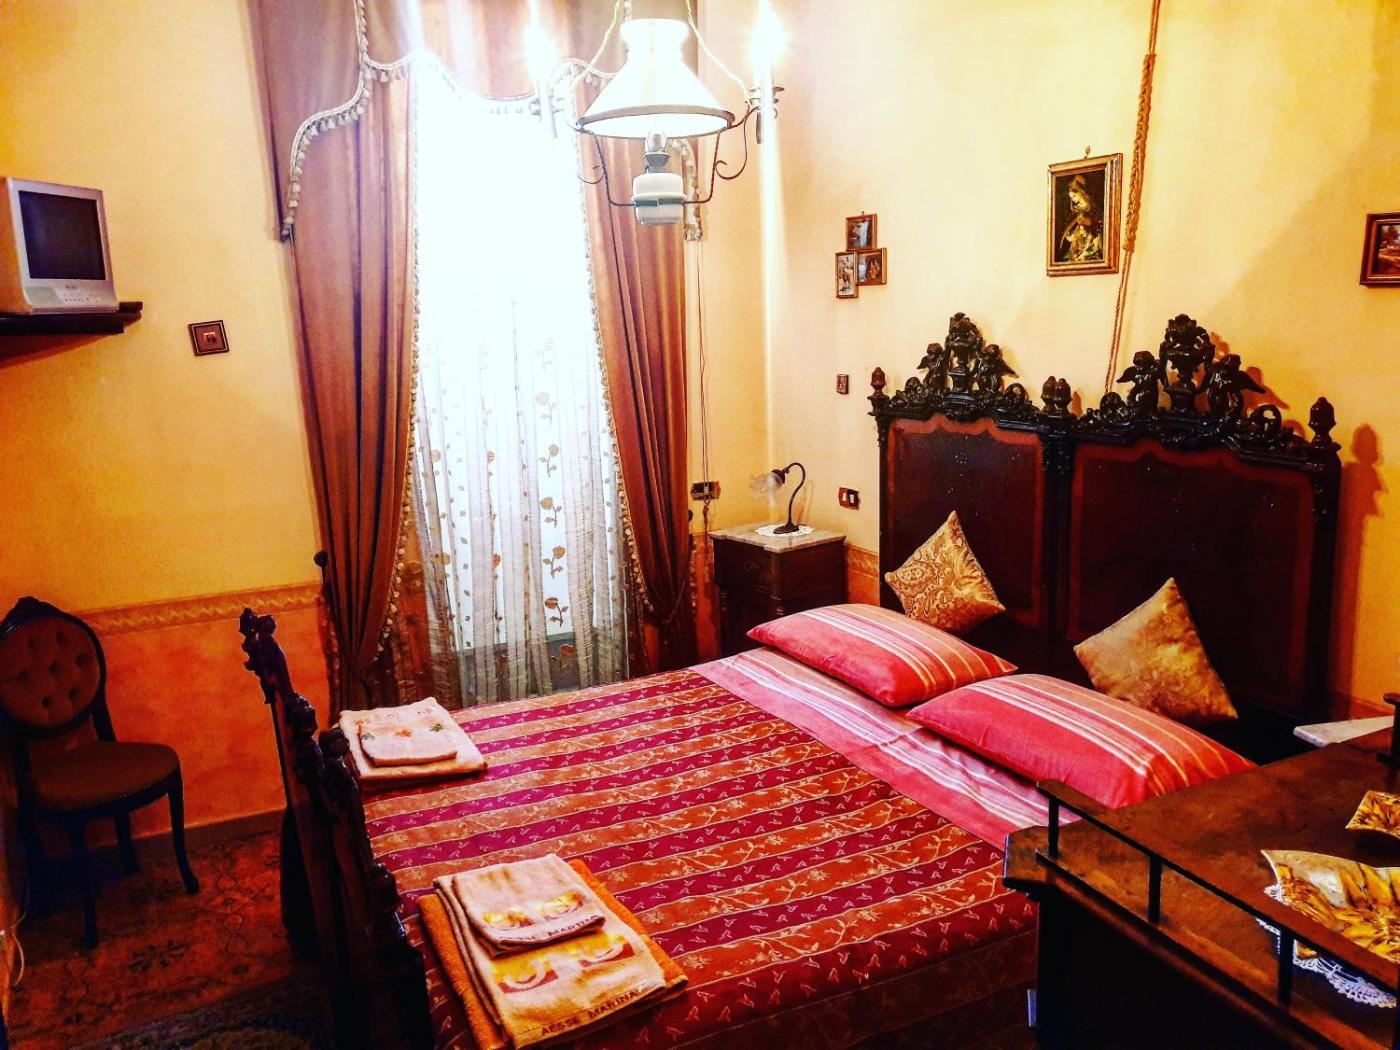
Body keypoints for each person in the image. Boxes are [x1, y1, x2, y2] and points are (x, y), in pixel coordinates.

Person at [1058, 173, 1103, 263]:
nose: (1073, 199)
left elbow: (1097, 219)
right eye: (1071, 198)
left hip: (1092, 234)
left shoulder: (1091, 205)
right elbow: (1072, 224)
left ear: (1081, 192)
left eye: (1074, 196)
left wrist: (1088, 222)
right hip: (1080, 235)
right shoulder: (1076, 209)